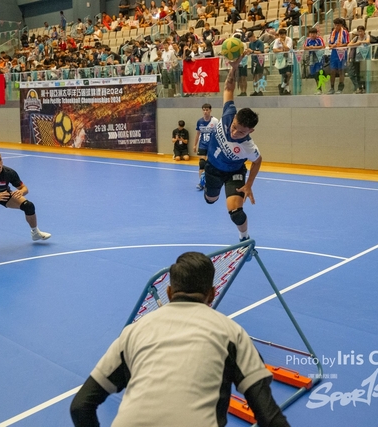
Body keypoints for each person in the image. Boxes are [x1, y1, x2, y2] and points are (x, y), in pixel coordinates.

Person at [70, 251, 290, 427]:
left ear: (168, 292)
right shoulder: (232, 333)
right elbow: (269, 417)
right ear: (212, 294)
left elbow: (80, 406)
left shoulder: (133, 332)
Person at [204, 55, 262, 245]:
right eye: (235, 127)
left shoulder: (248, 147)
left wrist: (249, 184)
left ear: (250, 131)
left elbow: (257, 161)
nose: (235, 133)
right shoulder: (229, 113)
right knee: (210, 200)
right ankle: (207, 184)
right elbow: (229, 88)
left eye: (241, 131)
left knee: (236, 212)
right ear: (234, 118)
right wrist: (234, 67)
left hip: (234, 173)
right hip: (213, 168)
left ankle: (244, 239)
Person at [194, 103, 220, 191]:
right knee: (202, 164)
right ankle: (201, 183)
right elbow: (197, 134)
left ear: (210, 110)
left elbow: (218, 134)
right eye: (204, 110)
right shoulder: (200, 121)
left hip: (212, 146)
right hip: (202, 145)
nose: (205, 112)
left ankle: (208, 182)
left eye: (207, 110)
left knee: (208, 165)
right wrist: (195, 145)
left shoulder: (215, 121)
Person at [327, 17, 350, 94]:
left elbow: (347, 43)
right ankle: (332, 87)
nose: (336, 27)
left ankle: (340, 87)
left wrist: (336, 45)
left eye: (338, 25)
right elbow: (329, 43)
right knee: (332, 71)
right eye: (335, 25)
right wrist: (332, 45)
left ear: (341, 25)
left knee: (341, 70)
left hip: (342, 53)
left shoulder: (345, 32)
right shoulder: (332, 33)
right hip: (334, 54)